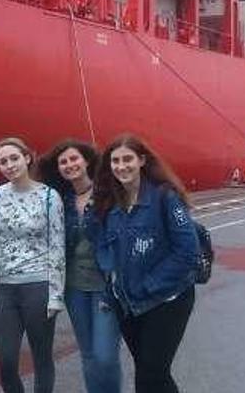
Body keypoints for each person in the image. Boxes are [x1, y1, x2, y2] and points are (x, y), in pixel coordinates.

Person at [93, 134, 200, 393]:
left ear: (141, 160)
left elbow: (188, 252)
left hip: (167, 300)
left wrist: (148, 286)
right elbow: (106, 251)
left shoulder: (165, 197)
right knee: (151, 373)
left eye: (127, 159)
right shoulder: (110, 203)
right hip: (129, 304)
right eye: (115, 161)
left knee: (151, 374)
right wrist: (113, 292)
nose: (121, 166)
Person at [38, 140, 122, 393]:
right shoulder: (59, 200)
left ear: (87, 161)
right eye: (63, 162)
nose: (69, 165)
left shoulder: (108, 194)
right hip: (74, 286)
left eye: (74, 159)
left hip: (106, 285)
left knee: (105, 356)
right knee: (88, 354)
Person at [0, 137, 65, 393]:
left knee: (41, 357)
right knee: (7, 360)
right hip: (4, 287)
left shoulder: (49, 197)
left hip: (38, 285)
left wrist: (55, 294)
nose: (9, 165)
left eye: (13, 158)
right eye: (3, 161)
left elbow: (57, 246)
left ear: (27, 158)